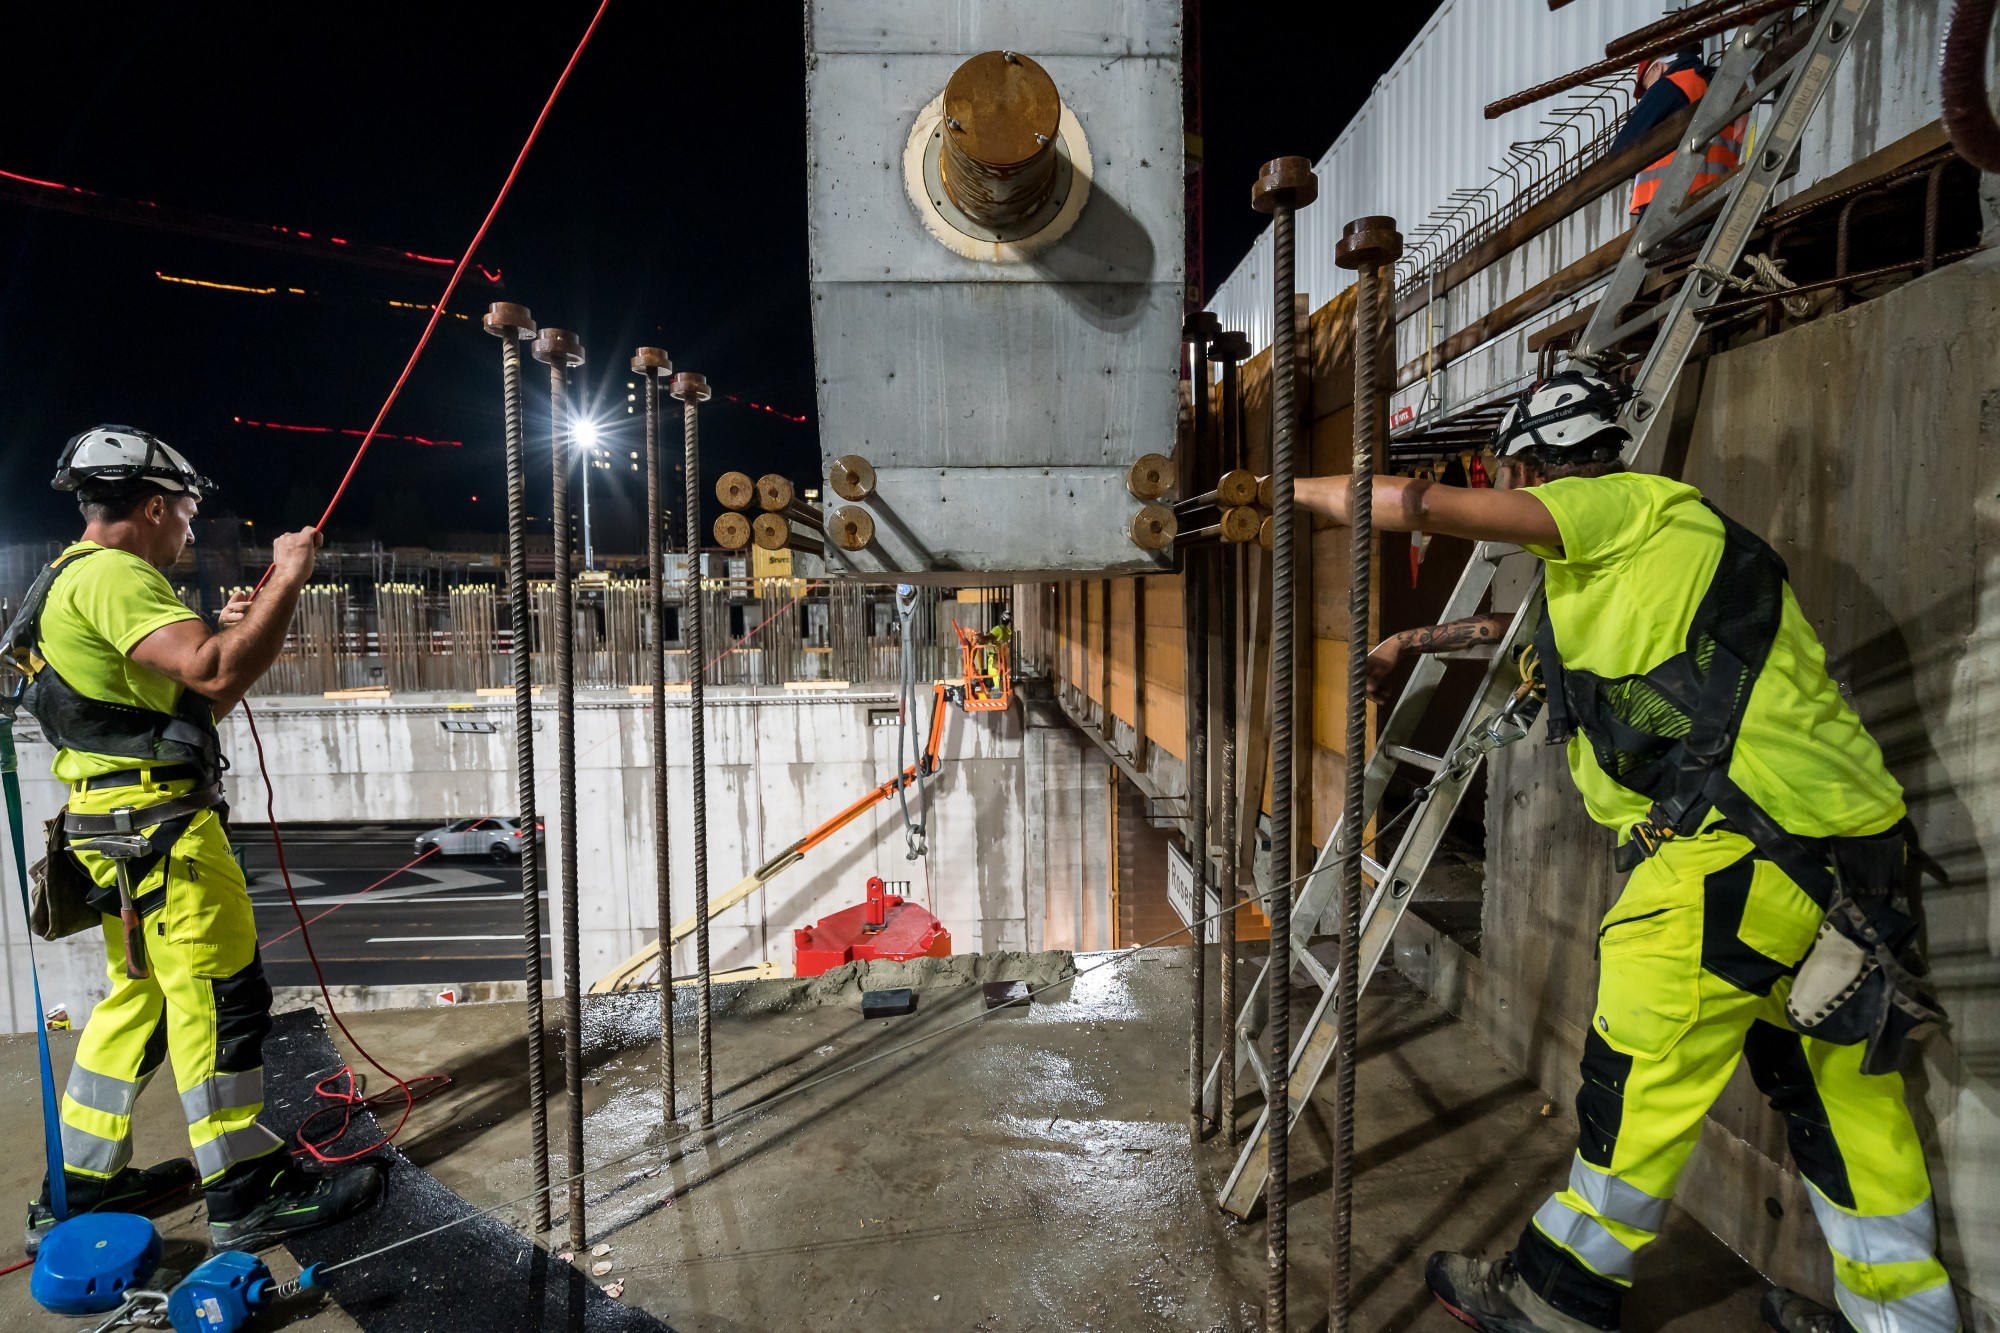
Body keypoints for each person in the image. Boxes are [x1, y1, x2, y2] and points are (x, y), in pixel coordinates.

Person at [1296, 374, 1956, 1333]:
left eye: (1511, 478)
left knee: (1632, 1083)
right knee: (1847, 1109)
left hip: (1731, 859)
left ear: (1529, 468)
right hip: (1845, 865)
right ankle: (1907, 1324)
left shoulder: (1618, 505)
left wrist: (1284, 493)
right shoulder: (1643, 556)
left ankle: (1554, 1296)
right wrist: (1410, 638)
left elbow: (1416, 504)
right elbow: (1527, 646)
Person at [5, 426, 382, 1253]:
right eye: (185, 510)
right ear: (150, 505)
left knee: (138, 998)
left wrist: (241, 627)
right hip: (163, 837)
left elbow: (185, 704)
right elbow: (212, 673)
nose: (188, 526)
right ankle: (245, 1188)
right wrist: (287, 574)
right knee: (220, 1000)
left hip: (115, 831)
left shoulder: (64, 579)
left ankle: (82, 1186)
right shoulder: (116, 576)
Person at [1613, 47, 1746, 216]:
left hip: (1669, 206)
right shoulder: (1723, 87)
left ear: (1658, 67)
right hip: (1720, 202)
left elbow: (1619, 152)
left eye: (1647, 85)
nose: (1648, 92)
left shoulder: (1671, 85)